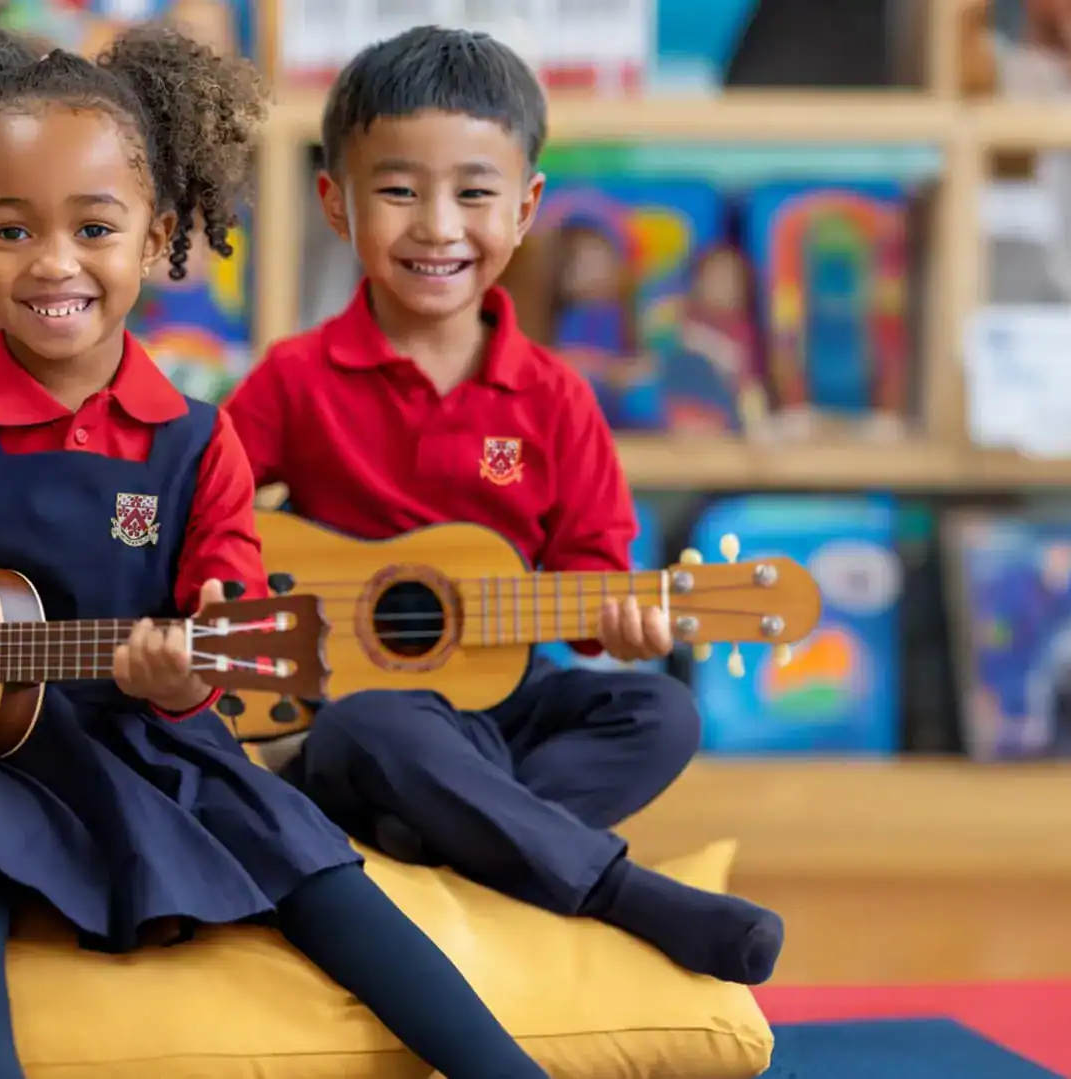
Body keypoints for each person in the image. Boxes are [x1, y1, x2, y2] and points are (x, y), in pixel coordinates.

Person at [0, 17, 549, 1079]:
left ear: (159, 232)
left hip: (149, 743)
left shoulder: (196, 440)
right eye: (10, 230)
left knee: (315, 862)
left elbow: (223, 605)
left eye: (94, 227)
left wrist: (185, 677)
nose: (54, 263)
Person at [223, 26, 784, 988]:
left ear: (525, 208)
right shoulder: (296, 380)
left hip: (493, 710)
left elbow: (593, 575)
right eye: (399, 191)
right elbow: (211, 514)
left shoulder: (555, 399)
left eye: (474, 193)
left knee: (660, 714)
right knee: (375, 724)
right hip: (359, 729)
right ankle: (617, 893)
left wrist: (627, 624)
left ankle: (436, 840)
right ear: (335, 203)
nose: (438, 226)